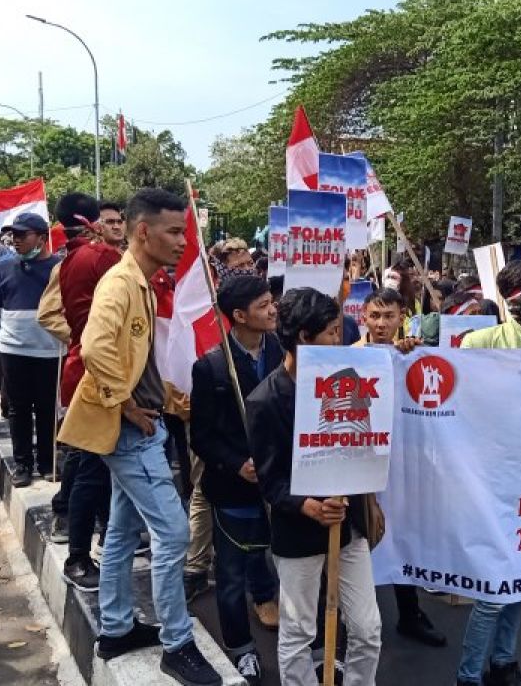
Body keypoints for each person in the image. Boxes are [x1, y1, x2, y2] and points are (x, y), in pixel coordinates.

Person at [57, 188, 220, 685]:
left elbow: (134, 359)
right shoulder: (121, 284)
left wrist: (166, 396)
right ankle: (177, 642)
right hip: (131, 431)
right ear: (144, 232)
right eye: (174, 232)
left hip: (143, 420)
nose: (182, 241)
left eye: (184, 231)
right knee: (173, 534)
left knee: (125, 533)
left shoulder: (143, 282)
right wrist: (127, 405)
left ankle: (117, 628)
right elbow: (94, 347)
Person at [248, 288, 383, 686]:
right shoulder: (265, 401)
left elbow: (361, 444)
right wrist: (305, 504)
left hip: (350, 526)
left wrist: (368, 501)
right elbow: (271, 481)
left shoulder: (350, 379)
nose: (339, 340)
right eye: (331, 332)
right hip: (299, 536)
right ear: (304, 338)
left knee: (367, 627)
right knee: (299, 632)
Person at [455, 258, 521, 686]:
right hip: (489, 484)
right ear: (514, 301)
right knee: (494, 592)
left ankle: (503, 663)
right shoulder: (479, 344)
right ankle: (468, 676)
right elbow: (451, 406)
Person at [189, 276, 283, 684]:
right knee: (230, 575)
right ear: (239, 316)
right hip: (233, 489)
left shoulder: (282, 352)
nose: (273, 310)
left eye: (272, 302)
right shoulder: (211, 366)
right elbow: (202, 437)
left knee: (273, 559)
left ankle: (281, 616)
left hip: (277, 484)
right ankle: (241, 649)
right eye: (264, 305)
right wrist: (236, 463)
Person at [354, 288, 447, 648]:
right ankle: (357, 619)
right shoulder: (351, 356)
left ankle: (409, 614)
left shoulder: (411, 355)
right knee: (360, 539)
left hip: (403, 462)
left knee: (400, 534)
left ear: (401, 316)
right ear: (364, 316)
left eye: (388, 316)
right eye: (374, 316)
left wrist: (411, 354)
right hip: (361, 463)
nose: (380, 324)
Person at [40, 192, 125, 590]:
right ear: (92, 222)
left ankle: (110, 538)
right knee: (91, 469)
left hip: (86, 369)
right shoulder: (104, 259)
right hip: (101, 374)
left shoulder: (73, 258)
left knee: (99, 469)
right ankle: (78, 554)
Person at [0, 212, 63, 487]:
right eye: (13, 235)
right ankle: (22, 464)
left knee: (48, 409)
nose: (16, 241)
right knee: (18, 409)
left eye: (22, 235)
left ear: (41, 237)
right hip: (12, 350)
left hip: (50, 351)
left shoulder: (59, 268)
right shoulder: (3, 267)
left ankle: (48, 462)